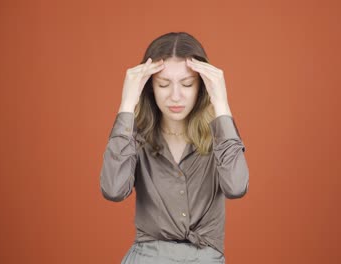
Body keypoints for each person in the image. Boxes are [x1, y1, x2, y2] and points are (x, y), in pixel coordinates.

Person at [100, 32, 249, 263]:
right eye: (163, 84)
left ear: (201, 87)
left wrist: (221, 103)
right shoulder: (135, 135)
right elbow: (113, 189)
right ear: (150, 87)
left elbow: (236, 186)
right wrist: (127, 103)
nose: (175, 96)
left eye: (187, 84)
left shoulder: (219, 135)